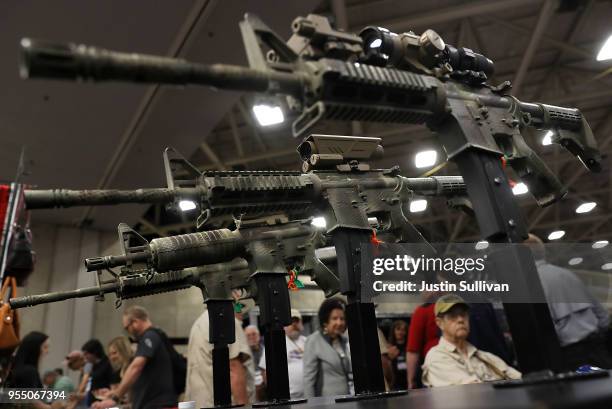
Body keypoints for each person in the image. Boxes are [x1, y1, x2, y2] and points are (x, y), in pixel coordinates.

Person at [525, 234, 612, 369]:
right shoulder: (567, 274)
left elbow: (545, 327)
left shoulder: (532, 283)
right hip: (597, 347)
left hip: (571, 355)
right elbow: (602, 314)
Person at [422, 294, 521, 387]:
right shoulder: (436, 357)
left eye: (463, 314)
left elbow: (521, 379)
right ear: (440, 323)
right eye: (452, 316)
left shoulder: (484, 357)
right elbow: (472, 392)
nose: (460, 319)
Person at [93, 305, 177, 409]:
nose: (128, 332)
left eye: (127, 328)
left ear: (135, 322)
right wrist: (114, 393)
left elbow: (136, 367)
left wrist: (114, 398)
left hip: (157, 404)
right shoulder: (153, 337)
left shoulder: (149, 336)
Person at [185, 305, 254, 407]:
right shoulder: (227, 321)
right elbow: (235, 370)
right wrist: (243, 406)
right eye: (241, 306)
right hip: (223, 404)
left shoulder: (198, 323)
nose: (242, 314)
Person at [303, 298, 353, 397]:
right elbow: (308, 380)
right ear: (325, 321)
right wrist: (310, 405)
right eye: (334, 318)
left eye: (342, 319)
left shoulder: (344, 341)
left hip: (347, 399)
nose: (339, 323)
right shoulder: (313, 341)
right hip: (326, 403)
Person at [259, 309, 307, 399]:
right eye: (291, 321)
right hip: (287, 397)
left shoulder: (307, 341)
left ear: (301, 323)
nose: (294, 324)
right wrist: (274, 394)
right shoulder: (276, 342)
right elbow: (265, 371)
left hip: (308, 396)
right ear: (284, 325)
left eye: (297, 321)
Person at [7, 331, 61, 409]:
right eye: (45, 347)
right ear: (34, 348)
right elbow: (29, 399)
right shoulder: (29, 371)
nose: (47, 351)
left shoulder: (17, 367)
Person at [406, 291, 439, 389]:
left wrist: (410, 381)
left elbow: (413, 350)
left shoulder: (423, 311)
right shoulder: (463, 308)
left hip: (433, 371)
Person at [81, 339, 114, 405]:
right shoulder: (93, 366)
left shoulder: (108, 364)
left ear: (94, 352)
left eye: (86, 354)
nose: (85, 357)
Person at [387, 320, 408, 390]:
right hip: (396, 382)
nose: (400, 332)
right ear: (393, 331)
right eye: (398, 329)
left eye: (403, 330)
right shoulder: (389, 347)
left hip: (408, 380)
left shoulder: (409, 347)